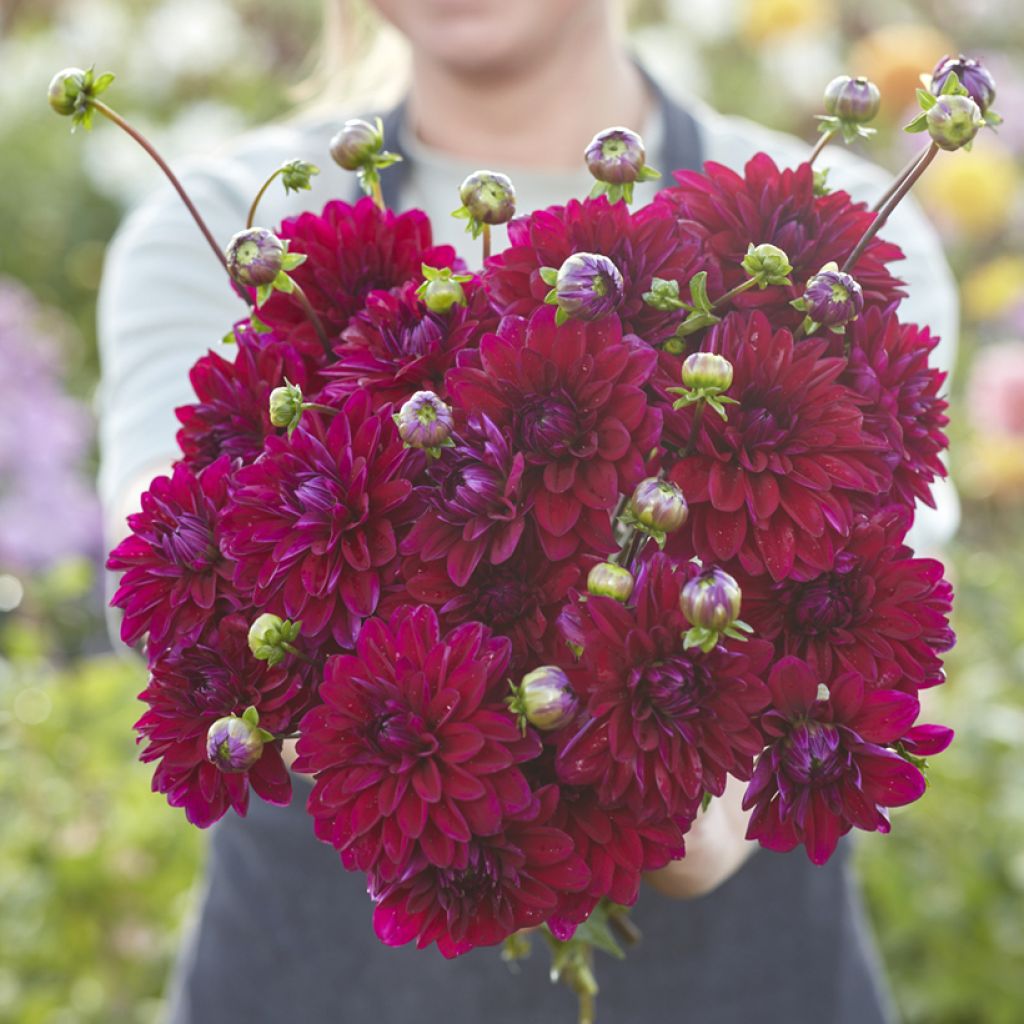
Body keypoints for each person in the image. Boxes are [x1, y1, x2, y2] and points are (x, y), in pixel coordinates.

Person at [97, 2, 958, 1021]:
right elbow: (160, 570)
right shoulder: (220, 224)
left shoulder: (840, 229)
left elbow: (878, 588)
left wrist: (704, 788)